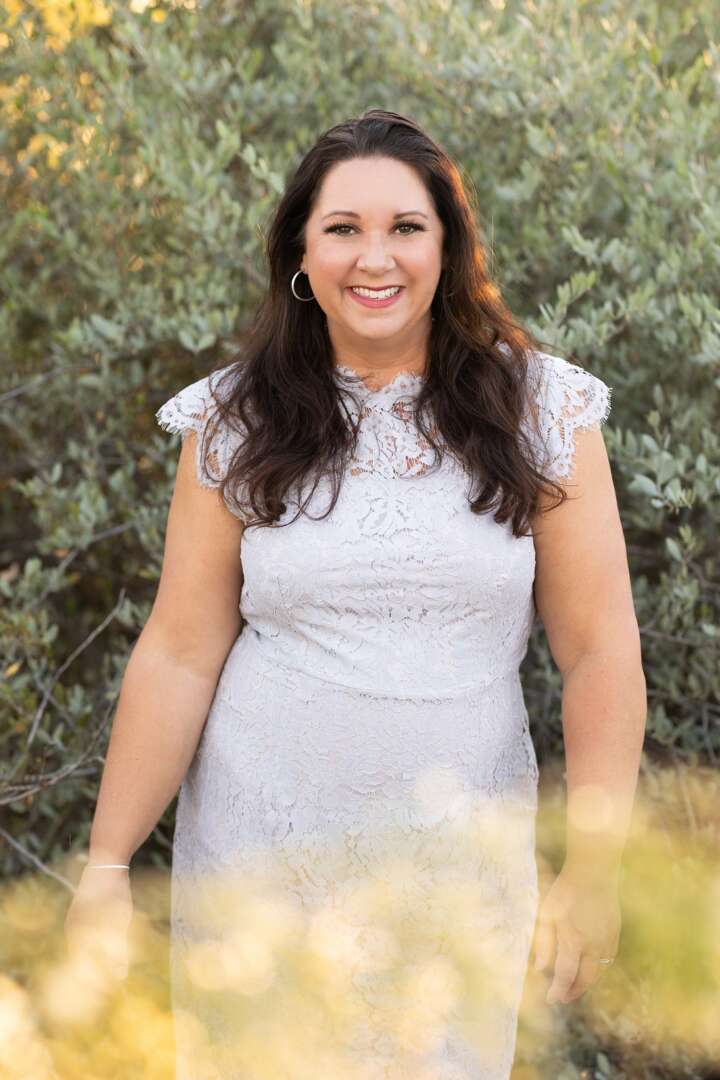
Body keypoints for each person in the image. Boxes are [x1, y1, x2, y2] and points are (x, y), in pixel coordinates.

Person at [65, 109, 647, 1079]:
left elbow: (599, 650)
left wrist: (596, 867)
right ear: (302, 252)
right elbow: (179, 649)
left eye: (405, 227)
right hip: (259, 865)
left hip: (457, 876)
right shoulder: (236, 419)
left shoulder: (544, 411)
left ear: (448, 249)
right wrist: (106, 864)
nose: (375, 258)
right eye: (343, 229)